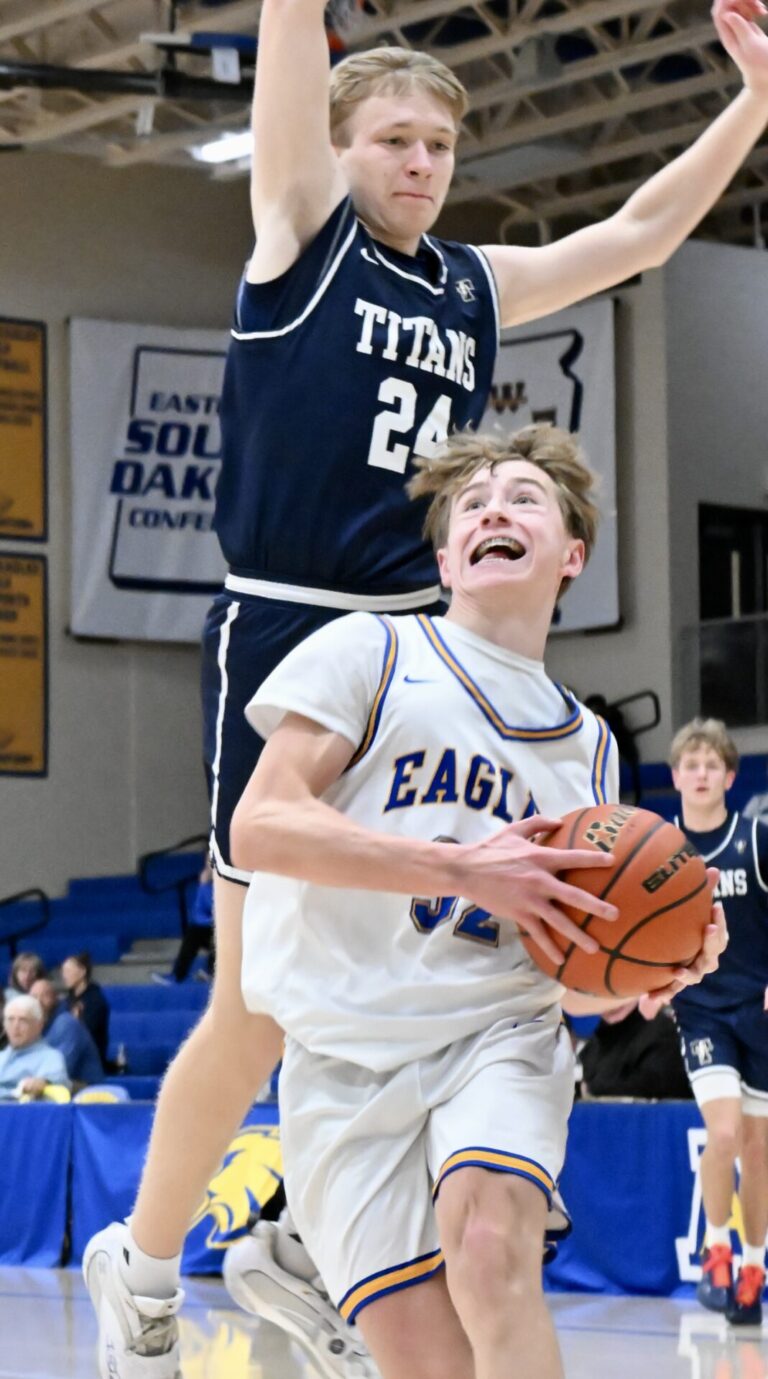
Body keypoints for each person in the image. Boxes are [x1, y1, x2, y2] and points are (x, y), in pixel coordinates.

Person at [83, 1, 766, 1373]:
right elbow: (291, 108)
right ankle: (147, 1258)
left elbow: (628, 241)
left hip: (428, 635)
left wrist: (753, 105)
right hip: (295, 629)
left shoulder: (465, 281)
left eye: (441, 144)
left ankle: (296, 1228)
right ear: (337, 154)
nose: (419, 163)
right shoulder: (301, 245)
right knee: (256, 1000)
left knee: (413, 963)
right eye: (392, 138)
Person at [224, 428, 725, 1379]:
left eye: (526, 497)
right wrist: (460, 869)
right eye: (474, 504)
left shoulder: (592, 749)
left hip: (498, 1032)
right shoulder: (370, 652)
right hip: (342, 1056)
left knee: (493, 1251)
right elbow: (260, 824)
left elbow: (571, 975)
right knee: (434, 1365)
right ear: (448, 555)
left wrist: (655, 964)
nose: (496, 508)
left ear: (572, 553)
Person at [665, 719, 768, 1327]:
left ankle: (755, 1265)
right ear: (675, 776)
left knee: (757, 1154)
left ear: (730, 777)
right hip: (702, 1010)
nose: (701, 773)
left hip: (757, 1010)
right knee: (723, 1133)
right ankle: (718, 1249)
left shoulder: (754, 840)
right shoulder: (658, 850)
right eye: (691, 764)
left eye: (712, 764)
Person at [578, 999, 692, 1101]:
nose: (611, 1000)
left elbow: (653, 1087)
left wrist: (591, 1089)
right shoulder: (596, 1041)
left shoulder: (663, 1033)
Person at [31, 978, 104, 1089]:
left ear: (56, 999)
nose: (38, 1001)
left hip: (87, 1090)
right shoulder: (36, 1025)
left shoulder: (66, 1023)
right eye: (34, 997)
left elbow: (59, 1071)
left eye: (45, 996)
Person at [152, 862, 215, 986]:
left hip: (234, 930)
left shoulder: (230, 883)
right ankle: (177, 975)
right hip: (212, 927)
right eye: (207, 863)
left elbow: (222, 912)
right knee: (194, 932)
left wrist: (203, 886)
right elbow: (199, 913)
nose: (208, 867)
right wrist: (203, 886)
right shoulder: (207, 886)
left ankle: (212, 972)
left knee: (222, 931)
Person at [0, 994, 70, 1101]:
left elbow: (58, 1085)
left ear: (39, 1025)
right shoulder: (2, 1056)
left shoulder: (50, 1057)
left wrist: (42, 1083)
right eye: (10, 1019)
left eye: (23, 1020)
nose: (15, 1026)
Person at [61, 952, 110, 1067]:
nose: (64, 976)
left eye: (68, 971)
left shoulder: (95, 1001)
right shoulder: (67, 1000)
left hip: (90, 1063)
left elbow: (85, 1034)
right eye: (63, 971)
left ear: (82, 972)